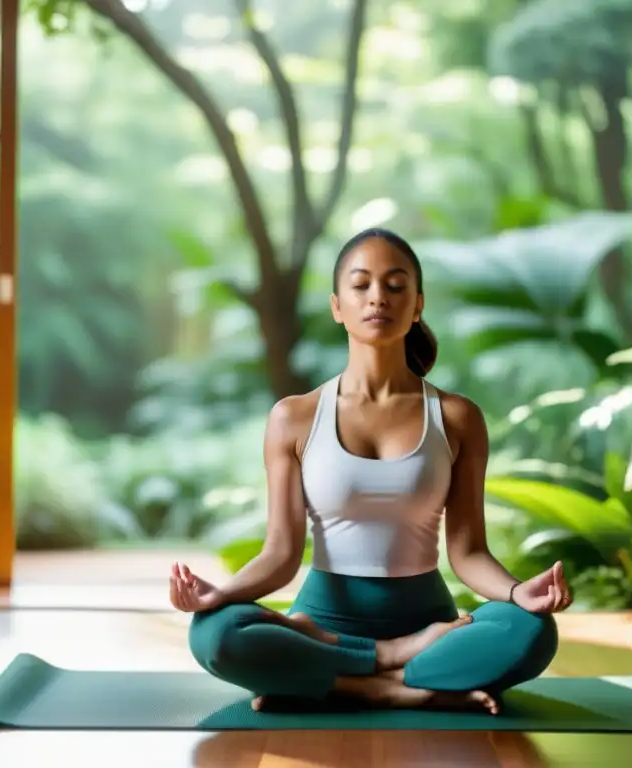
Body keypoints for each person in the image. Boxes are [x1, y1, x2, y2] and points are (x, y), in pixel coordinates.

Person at [168, 227, 573, 714]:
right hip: (324, 620)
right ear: (338, 306)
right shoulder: (293, 417)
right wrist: (220, 593)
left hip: (428, 626)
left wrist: (516, 591)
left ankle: (331, 678)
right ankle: (392, 679)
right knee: (215, 634)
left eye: (395, 285)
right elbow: (280, 553)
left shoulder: (457, 417)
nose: (378, 297)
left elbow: (467, 552)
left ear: (417, 303)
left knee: (530, 631)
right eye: (361, 285)